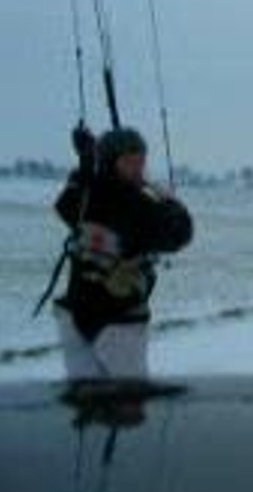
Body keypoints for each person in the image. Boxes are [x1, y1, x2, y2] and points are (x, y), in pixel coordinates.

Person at [53, 124, 193, 381]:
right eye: (130, 162)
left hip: (89, 316)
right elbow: (180, 234)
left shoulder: (90, 192)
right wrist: (171, 202)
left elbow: (66, 205)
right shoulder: (137, 202)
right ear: (111, 161)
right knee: (125, 397)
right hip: (110, 320)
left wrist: (86, 163)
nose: (139, 168)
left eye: (141, 161)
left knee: (89, 396)